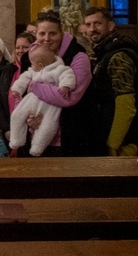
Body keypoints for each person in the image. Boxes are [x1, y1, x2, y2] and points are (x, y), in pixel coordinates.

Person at [14, 11, 93, 156]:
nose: (46, 39)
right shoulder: (29, 57)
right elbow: (21, 94)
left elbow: (69, 97)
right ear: (35, 34)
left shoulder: (78, 56)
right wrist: (28, 118)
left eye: (52, 33)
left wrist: (34, 86)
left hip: (68, 137)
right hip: (32, 135)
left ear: (61, 33)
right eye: (42, 34)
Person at [82, 7, 138, 157]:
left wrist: (113, 144)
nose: (92, 29)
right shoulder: (103, 53)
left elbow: (126, 103)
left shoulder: (119, 57)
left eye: (97, 24)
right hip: (104, 135)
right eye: (88, 25)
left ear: (110, 26)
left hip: (120, 145)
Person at [9, 44, 76, 156]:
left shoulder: (60, 69)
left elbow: (68, 75)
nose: (31, 66)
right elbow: (24, 77)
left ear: (40, 65)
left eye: (32, 64)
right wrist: (17, 89)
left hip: (50, 105)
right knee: (17, 115)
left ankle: (38, 147)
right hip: (32, 99)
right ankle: (16, 139)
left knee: (48, 125)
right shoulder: (33, 70)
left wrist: (66, 86)